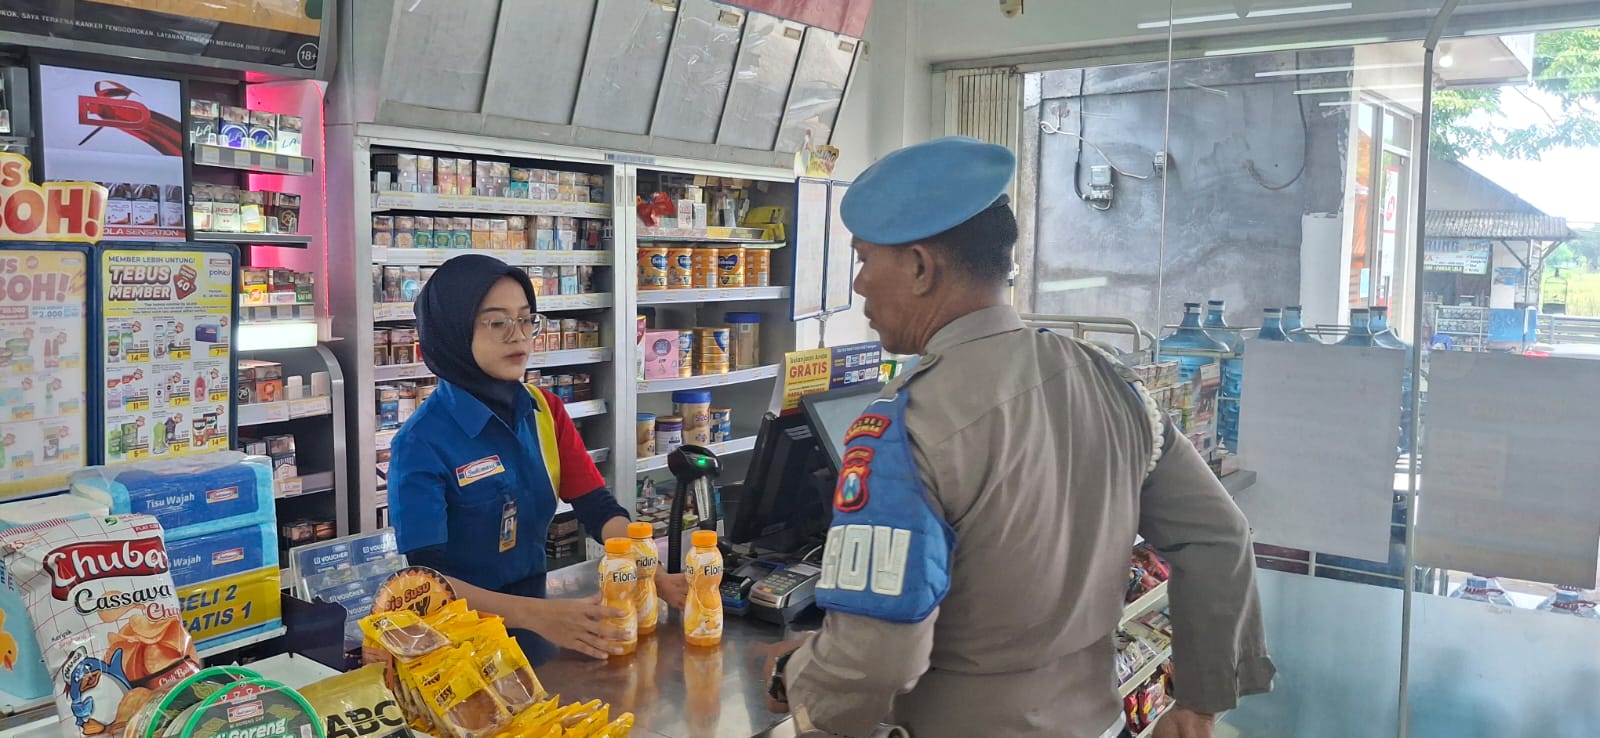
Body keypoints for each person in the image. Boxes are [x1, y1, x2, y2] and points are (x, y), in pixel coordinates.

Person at [763, 137, 1275, 738]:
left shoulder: (902, 426)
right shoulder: (1111, 379)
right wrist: (1199, 702)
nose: (859, 285)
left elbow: (877, 659)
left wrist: (795, 681)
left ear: (921, 268)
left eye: (865, 260)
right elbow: (1218, 536)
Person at [388, 254, 687, 664]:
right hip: (456, 647)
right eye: (497, 322)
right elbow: (426, 582)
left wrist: (650, 570)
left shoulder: (544, 410)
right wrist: (538, 616)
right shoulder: (420, 442)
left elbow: (598, 508)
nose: (519, 336)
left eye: (526, 319)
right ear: (453, 331)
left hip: (536, 619)